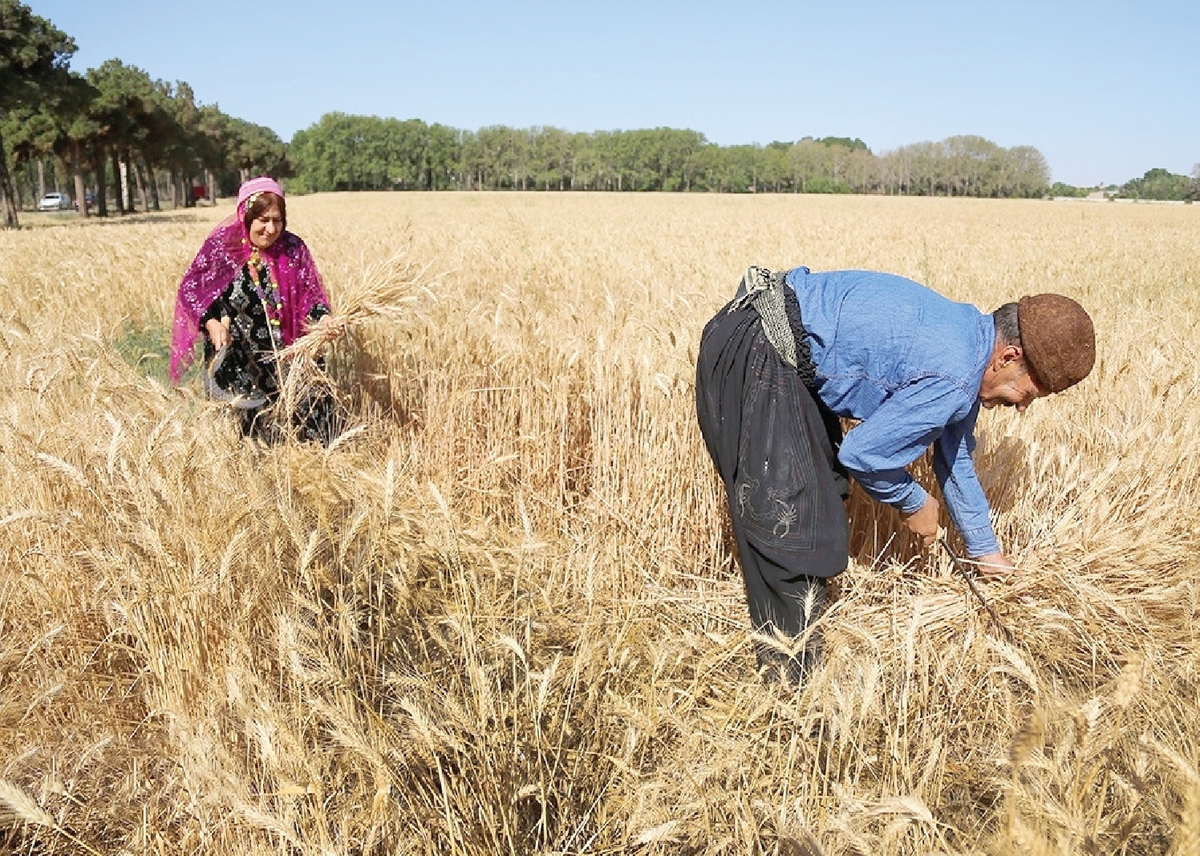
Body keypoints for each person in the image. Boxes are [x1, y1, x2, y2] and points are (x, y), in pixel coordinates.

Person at [695, 265, 1096, 683]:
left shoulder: (969, 343)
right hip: (758, 346)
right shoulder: (955, 375)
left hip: (776, 346)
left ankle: (799, 675)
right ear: (1008, 357)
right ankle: (792, 696)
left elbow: (954, 457)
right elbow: (863, 453)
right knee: (792, 526)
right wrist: (914, 502)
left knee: (822, 497)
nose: (1022, 406)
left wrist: (986, 552)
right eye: (1028, 392)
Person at [170, 176, 341, 442]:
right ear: (245, 216)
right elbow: (191, 290)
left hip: (291, 359)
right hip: (239, 363)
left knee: (309, 438)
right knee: (246, 444)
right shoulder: (222, 249)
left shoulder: (294, 248)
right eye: (263, 219)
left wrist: (324, 318)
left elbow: (312, 294)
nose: (271, 229)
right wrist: (211, 322)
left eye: (277, 219)